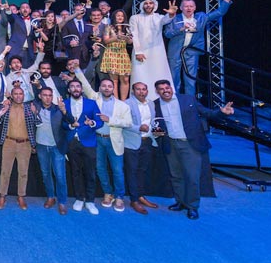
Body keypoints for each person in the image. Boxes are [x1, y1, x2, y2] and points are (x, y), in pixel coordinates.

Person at [152, 79, 234, 220]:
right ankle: (180, 202)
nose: (165, 90)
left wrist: (222, 112)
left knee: (192, 177)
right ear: (157, 91)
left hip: (189, 144)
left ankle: (192, 206)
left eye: (167, 87)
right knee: (176, 176)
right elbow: (155, 125)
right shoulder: (155, 104)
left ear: (171, 88)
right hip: (170, 144)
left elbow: (207, 113)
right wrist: (156, 132)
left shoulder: (187, 99)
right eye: (161, 89)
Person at [76, 74, 133, 212]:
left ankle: (119, 196)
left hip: (114, 141)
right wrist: (77, 69)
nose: (107, 88)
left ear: (113, 88)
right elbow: (85, 85)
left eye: (109, 86)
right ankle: (108, 193)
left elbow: (128, 123)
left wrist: (110, 119)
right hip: (97, 140)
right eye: (104, 86)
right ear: (100, 88)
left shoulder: (122, 105)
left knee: (117, 170)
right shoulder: (94, 99)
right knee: (100, 168)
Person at [164, 0, 232, 95]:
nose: (189, 8)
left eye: (191, 6)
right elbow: (167, 34)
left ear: (195, 7)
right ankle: (174, 102)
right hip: (175, 52)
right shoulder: (174, 18)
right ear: (181, 8)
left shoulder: (201, 17)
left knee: (190, 80)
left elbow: (219, 12)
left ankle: (190, 103)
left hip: (191, 52)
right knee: (174, 79)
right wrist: (181, 29)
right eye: (186, 6)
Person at [64, 79, 104, 215]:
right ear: (69, 90)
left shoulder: (91, 103)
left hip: (88, 142)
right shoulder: (64, 104)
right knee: (75, 172)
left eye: (77, 86)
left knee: (90, 173)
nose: (75, 88)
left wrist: (92, 122)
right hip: (72, 142)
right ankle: (79, 198)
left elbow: (100, 122)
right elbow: (62, 124)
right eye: (72, 86)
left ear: (81, 89)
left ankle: (90, 201)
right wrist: (70, 125)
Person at [0, 87, 39, 210]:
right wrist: (2, 110)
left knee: (23, 172)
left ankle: (21, 196)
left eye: (20, 94)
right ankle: (2, 196)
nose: (18, 96)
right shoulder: (7, 107)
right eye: (16, 94)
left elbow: (38, 123)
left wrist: (35, 113)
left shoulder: (29, 108)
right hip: (8, 143)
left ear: (24, 95)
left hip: (25, 144)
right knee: (5, 172)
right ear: (12, 95)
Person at [33, 87, 74, 215]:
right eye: (45, 95)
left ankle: (62, 202)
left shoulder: (58, 109)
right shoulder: (35, 107)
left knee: (60, 176)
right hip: (41, 146)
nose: (48, 98)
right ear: (40, 96)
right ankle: (51, 197)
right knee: (46, 174)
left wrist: (65, 111)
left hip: (57, 146)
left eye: (50, 95)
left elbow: (72, 121)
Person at [129, 0, 178, 100]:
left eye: (150, 3)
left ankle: (160, 99)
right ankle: (139, 100)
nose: (148, 5)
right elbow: (134, 35)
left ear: (154, 5)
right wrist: (138, 52)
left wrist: (171, 14)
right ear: (142, 6)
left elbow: (166, 19)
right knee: (140, 76)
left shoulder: (158, 17)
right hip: (140, 53)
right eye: (146, 3)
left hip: (157, 53)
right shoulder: (135, 18)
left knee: (159, 74)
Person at [123, 82, 159, 214]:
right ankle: (134, 200)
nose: (141, 92)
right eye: (138, 89)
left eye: (144, 89)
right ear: (133, 91)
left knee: (142, 171)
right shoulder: (126, 104)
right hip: (131, 143)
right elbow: (124, 123)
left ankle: (141, 196)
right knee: (132, 172)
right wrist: (138, 128)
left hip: (147, 141)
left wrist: (156, 131)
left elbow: (152, 122)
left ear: (147, 91)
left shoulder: (151, 103)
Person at [99, 9, 133, 100]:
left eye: (122, 16)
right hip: (111, 53)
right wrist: (116, 37)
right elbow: (106, 41)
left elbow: (130, 42)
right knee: (114, 80)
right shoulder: (109, 27)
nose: (120, 17)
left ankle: (124, 101)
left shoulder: (127, 28)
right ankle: (116, 101)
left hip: (123, 54)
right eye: (118, 15)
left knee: (125, 79)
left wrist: (127, 39)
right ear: (114, 17)